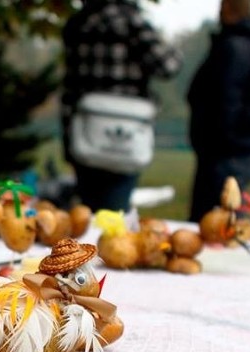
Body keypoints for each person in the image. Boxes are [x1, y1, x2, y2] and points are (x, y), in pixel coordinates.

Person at [61, 0, 182, 212]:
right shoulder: (131, 23)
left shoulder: (78, 24)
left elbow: (70, 89)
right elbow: (169, 65)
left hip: (86, 134)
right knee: (115, 215)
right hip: (127, 133)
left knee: (87, 210)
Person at [186, 0, 250, 223]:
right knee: (230, 219)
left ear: (229, 8)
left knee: (217, 221)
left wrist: (218, 136)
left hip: (227, 149)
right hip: (242, 145)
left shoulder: (235, 48)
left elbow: (225, 97)